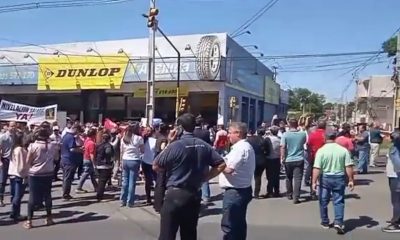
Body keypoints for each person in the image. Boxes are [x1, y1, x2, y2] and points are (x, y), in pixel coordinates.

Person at [153, 113, 225, 240]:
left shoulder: (175, 146)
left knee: (167, 234)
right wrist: (205, 178)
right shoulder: (203, 145)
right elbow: (221, 164)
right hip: (193, 194)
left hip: (175, 194)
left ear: (180, 127)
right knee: (189, 234)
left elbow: (156, 165)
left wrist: (169, 142)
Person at [312, 130, 354, 235]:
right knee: (339, 200)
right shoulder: (343, 150)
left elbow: (317, 168)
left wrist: (313, 181)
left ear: (325, 138)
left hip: (325, 178)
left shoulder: (321, 151)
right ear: (335, 137)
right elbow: (348, 166)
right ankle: (339, 222)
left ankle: (325, 221)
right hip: (339, 177)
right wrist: (350, 179)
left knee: (323, 200)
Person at [219, 122, 255, 240]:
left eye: (230, 133)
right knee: (238, 224)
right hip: (242, 189)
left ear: (238, 133)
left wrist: (218, 164)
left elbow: (229, 169)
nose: (228, 135)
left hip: (235, 191)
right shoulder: (244, 147)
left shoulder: (240, 148)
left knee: (230, 225)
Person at [24, 127, 57, 229]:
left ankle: (29, 221)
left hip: (35, 173)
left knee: (33, 196)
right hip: (48, 172)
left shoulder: (33, 146)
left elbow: (28, 161)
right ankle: (49, 218)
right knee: (47, 195)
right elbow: (56, 158)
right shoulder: (52, 145)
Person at [280, 119, 307, 204]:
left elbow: (283, 147)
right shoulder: (302, 134)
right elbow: (304, 143)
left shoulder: (285, 135)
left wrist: (282, 158)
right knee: (298, 179)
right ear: (297, 124)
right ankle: (296, 196)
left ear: (289, 125)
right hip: (299, 158)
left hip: (288, 159)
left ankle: (289, 194)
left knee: (289, 177)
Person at [120, 122, 144, 207]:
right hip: (134, 160)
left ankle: (123, 200)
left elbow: (121, 151)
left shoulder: (124, 138)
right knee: (132, 182)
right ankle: (130, 202)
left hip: (125, 159)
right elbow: (142, 150)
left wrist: (120, 162)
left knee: (125, 181)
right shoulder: (139, 138)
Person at [8, 131, 29, 221]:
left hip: (13, 173)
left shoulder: (14, 148)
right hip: (19, 175)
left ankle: (13, 212)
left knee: (14, 194)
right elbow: (20, 165)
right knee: (18, 195)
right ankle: (16, 213)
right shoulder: (20, 149)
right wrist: (25, 175)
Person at [382, 130, 400, 232]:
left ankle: (396, 223)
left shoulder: (395, 147)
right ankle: (396, 218)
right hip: (392, 175)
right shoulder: (393, 146)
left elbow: (398, 163)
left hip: (396, 176)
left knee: (396, 200)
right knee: (395, 200)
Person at [193, 116, 213, 204]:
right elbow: (209, 144)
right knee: (205, 177)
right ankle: (206, 196)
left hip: (193, 156)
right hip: (204, 156)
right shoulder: (206, 132)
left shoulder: (192, 132)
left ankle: (195, 194)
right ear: (202, 124)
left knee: (193, 176)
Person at [60, 124, 82, 200]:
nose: (78, 133)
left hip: (64, 158)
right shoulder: (70, 137)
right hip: (69, 160)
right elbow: (72, 149)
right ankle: (65, 194)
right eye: (78, 131)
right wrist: (81, 150)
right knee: (68, 178)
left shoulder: (65, 136)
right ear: (76, 129)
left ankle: (65, 192)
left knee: (65, 177)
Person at [306, 120, 327, 200]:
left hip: (314, 156)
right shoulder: (326, 135)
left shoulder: (313, 134)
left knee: (313, 176)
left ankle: (313, 193)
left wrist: (309, 156)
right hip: (325, 157)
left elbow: (308, 145)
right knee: (324, 175)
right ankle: (324, 192)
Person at [247, 128, 268, 199]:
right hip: (261, 160)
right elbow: (267, 151)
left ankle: (248, 193)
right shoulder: (264, 140)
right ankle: (256, 193)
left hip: (251, 160)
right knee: (258, 177)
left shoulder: (250, 140)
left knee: (248, 177)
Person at [76, 128, 98, 193]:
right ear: (94, 135)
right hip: (89, 160)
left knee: (92, 175)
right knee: (85, 174)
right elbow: (92, 154)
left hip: (85, 158)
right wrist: (94, 164)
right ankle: (78, 187)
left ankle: (96, 187)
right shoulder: (92, 143)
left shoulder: (86, 141)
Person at [153, 123, 169, 213]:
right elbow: (163, 149)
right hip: (162, 163)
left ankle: (157, 204)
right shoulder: (163, 139)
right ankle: (159, 205)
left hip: (157, 161)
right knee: (161, 184)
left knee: (159, 183)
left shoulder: (158, 137)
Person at [0, 121, 16, 207]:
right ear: (8, 127)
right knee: (2, 181)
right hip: (5, 160)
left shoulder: (16, 136)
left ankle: (12, 198)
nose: (13, 128)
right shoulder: (3, 137)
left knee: (13, 180)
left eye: (14, 126)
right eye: (12, 126)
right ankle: (1, 199)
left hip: (13, 161)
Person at [95, 133, 114, 201]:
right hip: (105, 165)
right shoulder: (108, 145)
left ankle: (99, 194)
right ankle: (99, 196)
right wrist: (110, 160)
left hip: (99, 164)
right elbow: (108, 153)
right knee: (102, 181)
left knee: (101, 180)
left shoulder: (98, 145)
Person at [265, 126, 282, 198]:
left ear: (271, 132)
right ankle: (277, 191)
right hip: (277, 158)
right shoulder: (279, 139)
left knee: (269, 176)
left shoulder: (267, 139)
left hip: (269, 158)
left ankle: (270, 191)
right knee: (276, 175)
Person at [142, 126, 157, 205]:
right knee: (156, 180)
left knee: (148, 181)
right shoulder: (155, 141)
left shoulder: (143, 140)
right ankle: (155, 197)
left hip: (146, 162)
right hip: (151, 162)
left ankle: (148, 198)